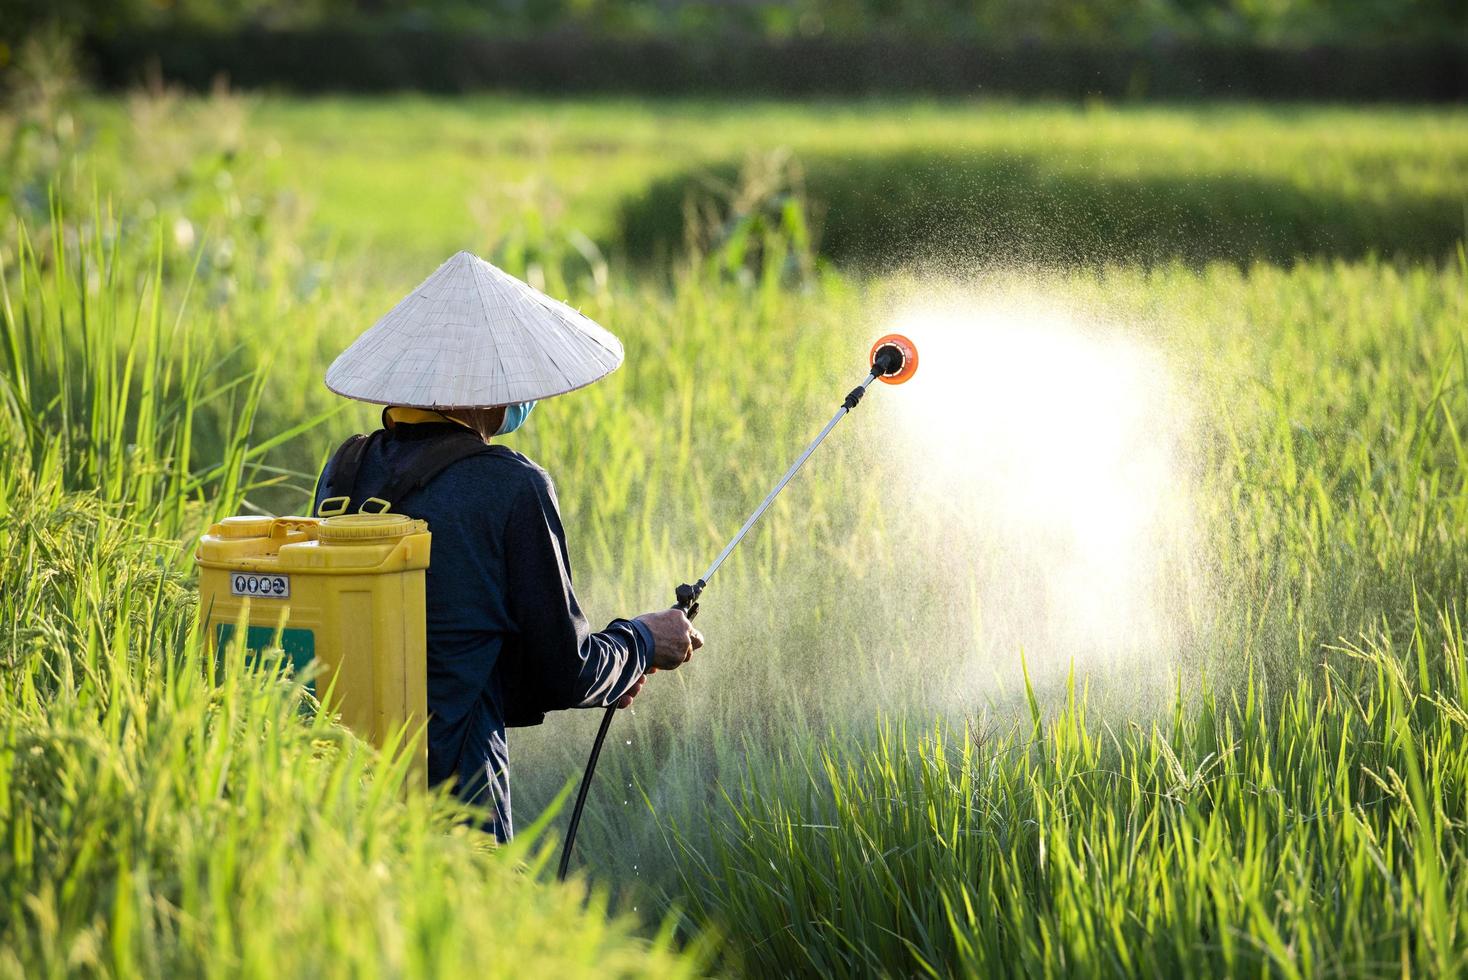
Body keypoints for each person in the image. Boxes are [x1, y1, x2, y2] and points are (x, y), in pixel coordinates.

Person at [315, 251, 702, 840]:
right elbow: (562, 672)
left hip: (335, 782)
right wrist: (643, 643)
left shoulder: (345, 473)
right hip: (453, 798)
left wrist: (617, 670)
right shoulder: (510, 485)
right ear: (482, 388)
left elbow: (449, 643)